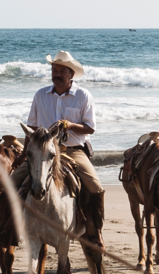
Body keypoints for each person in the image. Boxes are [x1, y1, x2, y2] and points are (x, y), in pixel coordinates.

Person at [20, 50, 105, 244]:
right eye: (54, 70)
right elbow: (32, 127)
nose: (56, 74)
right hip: (42, 152)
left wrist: (70, 124)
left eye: (61, 71)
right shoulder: (40, 95)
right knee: (13, 181)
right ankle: (9, 229)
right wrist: (25, 153)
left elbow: (90, 128)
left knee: (95, 187)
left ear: (71, 74)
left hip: (72, 150)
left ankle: (96, 230)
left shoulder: (83, 95)